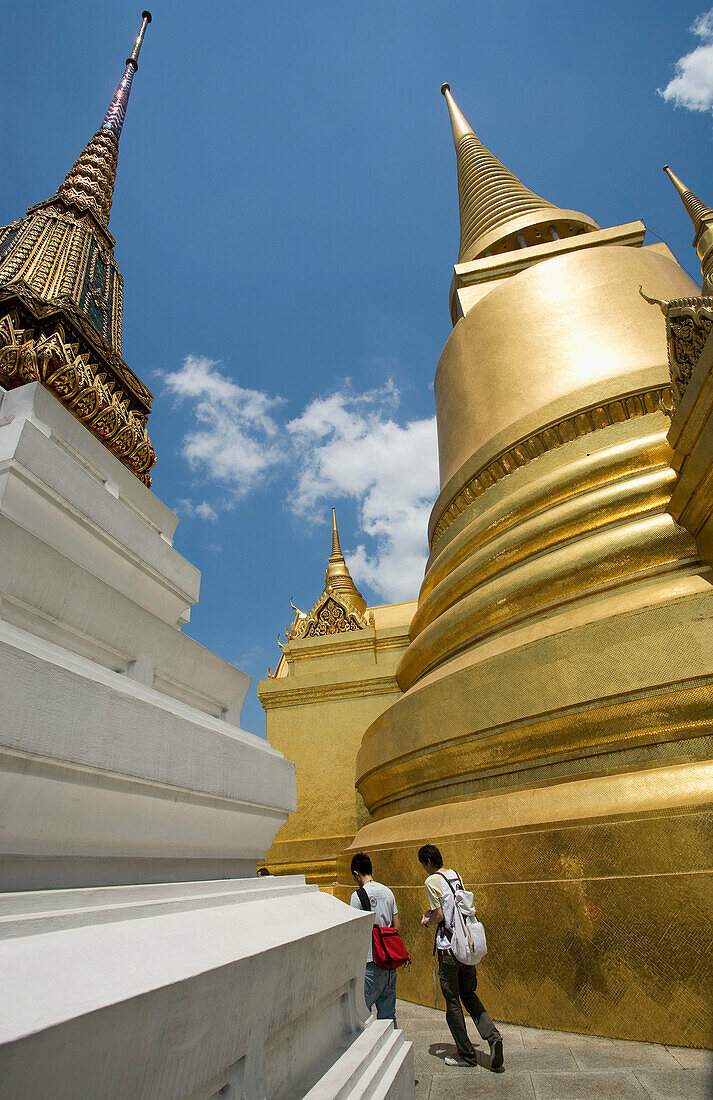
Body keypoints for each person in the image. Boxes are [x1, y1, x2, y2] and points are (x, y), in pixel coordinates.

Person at [418, 844, 504, 1071]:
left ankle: (466, 1054)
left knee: (453, 1001)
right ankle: (493, 1037)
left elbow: (439, 915)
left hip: (448, 949)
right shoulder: (455, 875)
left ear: (427, 862)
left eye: (423, 865)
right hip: (466, 945)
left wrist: (427, 920)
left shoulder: (431, 881)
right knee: (469, 993)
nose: (424, 869)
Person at [349, 852, 400, 1025]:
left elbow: (356, 931)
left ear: (356, 873)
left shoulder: (358, 896)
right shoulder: (388, 892)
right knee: (388, 1015)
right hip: (388, 961)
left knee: (362, 1014)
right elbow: (396, 926)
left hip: (370, 960)